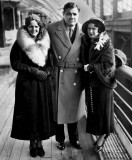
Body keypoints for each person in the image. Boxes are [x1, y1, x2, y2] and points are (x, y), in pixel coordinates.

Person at [10, 14, 55, 158]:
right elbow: (15, 63)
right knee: (30, 113)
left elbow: (52, 63)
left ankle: (40, 143)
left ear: (40, 27)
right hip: (27, 83)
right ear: (26, 27)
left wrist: (46, 73)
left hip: (42, 83)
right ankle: (32, 143)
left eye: (36, 26)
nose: (34, 29)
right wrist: (34, 70)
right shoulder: (20, 43)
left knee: (41, 112)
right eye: (31, 26)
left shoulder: (46, 42)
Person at [47, 2, 85, 150]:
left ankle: (74, 139)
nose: (72, 17)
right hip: (58, 74)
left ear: (78, 15)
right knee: (59, 110)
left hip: (76, 75)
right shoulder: (51, 28)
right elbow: (44, 48)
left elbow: (93, 50)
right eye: (69, 14)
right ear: (63, 14)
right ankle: (60, 139)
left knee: (73, 110)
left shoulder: (85, 30)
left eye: (75, 14)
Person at [81, 17, 117, 152]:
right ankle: (100, 134)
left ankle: (103, 136)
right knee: (93, 111)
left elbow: (109, 65)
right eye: (89, 28)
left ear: (100, 30)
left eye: (94, 29)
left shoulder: (106, 42)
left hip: (103, 83)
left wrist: (92, 67)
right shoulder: (87, 41)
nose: (91, 31)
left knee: (103, 112)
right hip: (92, 83)